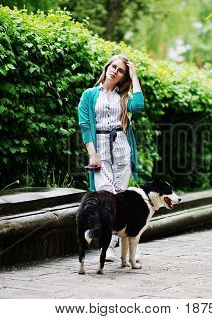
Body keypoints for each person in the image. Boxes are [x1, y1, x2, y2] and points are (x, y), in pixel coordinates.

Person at [78, 54, 144, 261]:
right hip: (100, 150)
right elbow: (85, 126)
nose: (115, 71)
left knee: (121, 198)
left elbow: (139, 106)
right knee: (105, 197)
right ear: (107, 67)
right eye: (113, 66)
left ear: (123, 77)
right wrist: (92, 154)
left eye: (121, 70)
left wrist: (135, 77)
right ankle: (107, 245)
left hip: (122, 149)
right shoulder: (89, 95)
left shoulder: (124, 98)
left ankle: (117, 246)